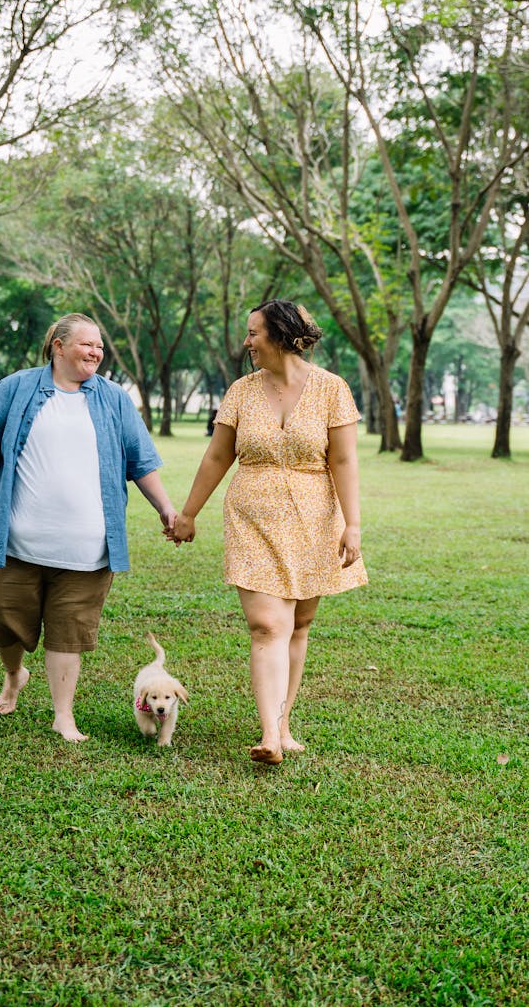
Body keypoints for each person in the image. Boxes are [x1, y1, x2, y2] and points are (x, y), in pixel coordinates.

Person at [0, 313, 176, 742]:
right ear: (58, 346)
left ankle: (63, 716)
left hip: (87, 550)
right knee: (1, 615)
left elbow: (141, 462)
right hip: (17, 543)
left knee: (67, 633)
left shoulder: (113, 398)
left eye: (99, 346)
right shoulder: (16, 388)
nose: (95, 352)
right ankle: (15, 674)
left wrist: (165, 508)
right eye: (86, 344)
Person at [170, 299, 367, 765]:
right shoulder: (241, 390)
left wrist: (353, 523)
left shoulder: (331, 389)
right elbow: (218, 456)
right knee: (267, 624)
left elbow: (343, 460)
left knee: (299, 624)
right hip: (253, 518)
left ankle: (283, 722)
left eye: (254, 333)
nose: (247, 342)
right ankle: (269, 735)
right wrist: (188, 513)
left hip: (316, 516)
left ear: (280, 335)